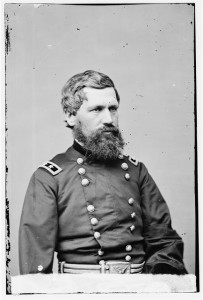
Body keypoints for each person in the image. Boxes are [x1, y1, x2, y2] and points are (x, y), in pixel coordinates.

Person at [19, 70, 187, 275]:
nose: (109, 119)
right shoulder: (49, 177)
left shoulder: (136, 171)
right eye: (97, 109)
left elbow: (164, 241)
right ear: (71, 116)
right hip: (77, 291)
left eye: (113, 108)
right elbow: (35, 269)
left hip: (140, 288)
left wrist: (160, 281)